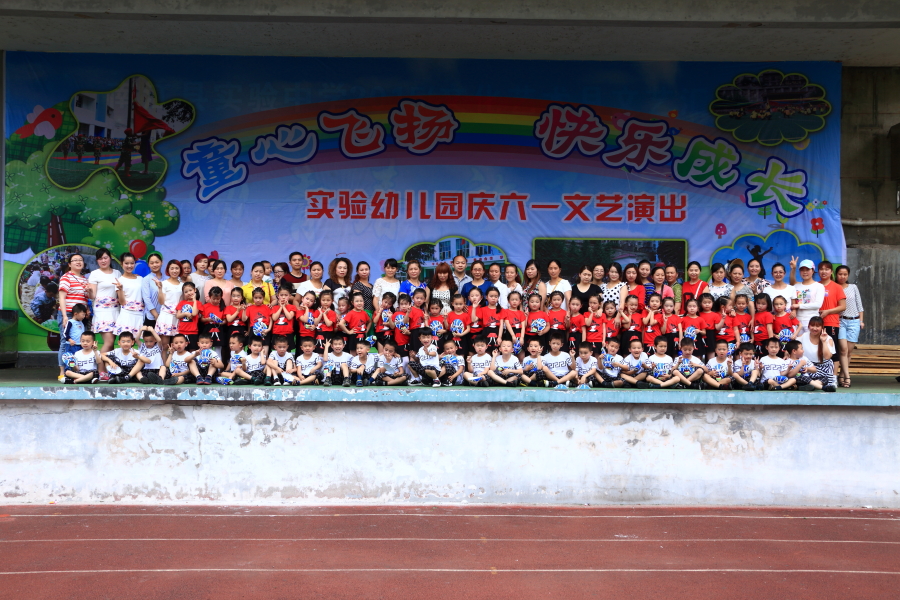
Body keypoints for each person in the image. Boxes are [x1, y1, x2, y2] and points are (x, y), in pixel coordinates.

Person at [57, 253, 91, 381]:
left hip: (82, 316)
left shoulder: (84, 279)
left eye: (80, 260)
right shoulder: (66, 277)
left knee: (81, 341)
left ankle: (77, 370)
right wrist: (65, 316)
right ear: (69, 264)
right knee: (65, 342)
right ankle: (62, 371)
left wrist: (87, 311)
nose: (78, 262)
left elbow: (85, 299)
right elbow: (62, 297)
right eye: (75, 260)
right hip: (68, 314)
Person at [88, 248, 122, 355]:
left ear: (110, 258)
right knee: (109, 342)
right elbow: (92, 296)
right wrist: (89, 291)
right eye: (100, 258)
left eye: (105, 258)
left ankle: (108, 365)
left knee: (111, 344)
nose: (103, 261)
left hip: (115, 311)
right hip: (102, 311)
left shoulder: (117, 273)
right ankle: (97, 363)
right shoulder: (95, 274)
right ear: (97, 261)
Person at [835, 265, 864, 388]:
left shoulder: (853, 287)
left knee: (849, 352)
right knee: (843, 350)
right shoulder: (834, 287)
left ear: (848, 275)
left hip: (854, 321)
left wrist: (861, 321)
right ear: (836, 274)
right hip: (840, 321)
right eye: (840, 274)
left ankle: (841, 375)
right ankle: (847, 377)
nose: (842, 276)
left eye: (845, 274)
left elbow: (859, 306)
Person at [797, 316, 837, 392]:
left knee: (825, 379)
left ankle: (811, 385)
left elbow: (827, 357)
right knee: (801, 377)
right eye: (812, 325)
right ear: (808, 326)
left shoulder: (828, 339)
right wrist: (786, 354)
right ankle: (816, 386)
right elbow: (793, 347)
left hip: (823, 367)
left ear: (822, 327)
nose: (814, 328)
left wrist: (823, 341)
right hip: (808, 367)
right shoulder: (803, 336)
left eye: (817, 326)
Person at [815, 260, 846, 356]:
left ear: (831, 272)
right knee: (817, 351)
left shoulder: (837, 287)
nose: (824, 271)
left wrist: (828, 312)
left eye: (827, 269)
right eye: (821, 269)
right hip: (815, 324)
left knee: (832, 353)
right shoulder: (815, 286)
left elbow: (843, 306)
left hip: (831, 322)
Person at [154, 259, 184, 355]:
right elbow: (161, 301)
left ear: (180, 269)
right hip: (166, 316)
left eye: (177, 268)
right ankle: (163, 363)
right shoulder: (164, 283)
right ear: (168, 270)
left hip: (178, 316)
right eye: (172, 268)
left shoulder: (183, 285)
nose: (174, 271)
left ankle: (174, 363)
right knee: (164, 346)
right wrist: (159, 288)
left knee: (177, 345)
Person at [113, 252, 144, 337]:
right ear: (121, 263)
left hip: (140, 314)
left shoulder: (140, 279)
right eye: (126, 263)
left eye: (132, 263)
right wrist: (120, 289)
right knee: (126, 340)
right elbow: (122, 302)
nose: (129, 266)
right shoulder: (119, 281)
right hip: (127, 315)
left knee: (138, 341)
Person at [790, 258, 825, 333]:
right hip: (797, 321)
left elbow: (818, 304)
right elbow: (792, 283)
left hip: (812, 321)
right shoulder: (796, 286)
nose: (805, 272)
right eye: (802, 270)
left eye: (807, 269)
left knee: (810, 340)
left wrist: (799, 306)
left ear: (813, 271)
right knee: (797, 340)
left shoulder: (819, 286)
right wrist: (793, 269)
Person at [141, 252, 164, 328]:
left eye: (157, 262)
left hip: (165, 315)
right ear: (148, 264)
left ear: (162, 262)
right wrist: (156, 315)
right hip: (151, 316)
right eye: (152, 263)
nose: (154, 265)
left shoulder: (167, 279)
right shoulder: (146, 279)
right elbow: (146, 299)